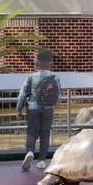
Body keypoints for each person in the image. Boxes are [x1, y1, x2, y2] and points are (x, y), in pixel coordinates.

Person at [17, 47, 62, 176]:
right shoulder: (55, 77)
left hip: (33, 108)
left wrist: (19, 108)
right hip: (48, 109)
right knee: (45, 133)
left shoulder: (31, 77)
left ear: (37, 62)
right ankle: (42, 160)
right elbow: (58, 94)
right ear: (51, 62)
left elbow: (22, 94)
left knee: (32, 132)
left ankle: (29, 152)